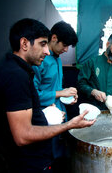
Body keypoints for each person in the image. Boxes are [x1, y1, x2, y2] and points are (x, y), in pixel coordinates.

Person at [0, 18, 95, 173]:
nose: (46, 52)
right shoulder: (16, 75)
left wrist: (63, 98)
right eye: (42, 44)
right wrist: (70, 124)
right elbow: (23, 135)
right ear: (24, 44)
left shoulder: (23, 70)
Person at [32, 21, 78, 167]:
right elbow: (34, 95)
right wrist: (60, 93)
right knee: (48, 159)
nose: (66, 50)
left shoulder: (57, 59)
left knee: (60, 158)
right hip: (46, 119)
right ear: (54, 38)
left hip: (61, 116)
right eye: (64, 45)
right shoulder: (40, 61)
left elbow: (55, 89)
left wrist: (66, 96)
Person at [77, 32, 112, 110]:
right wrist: (93, 91)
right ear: (107, 44)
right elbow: (81, 84)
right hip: (95, 109)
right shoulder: (92, 63)